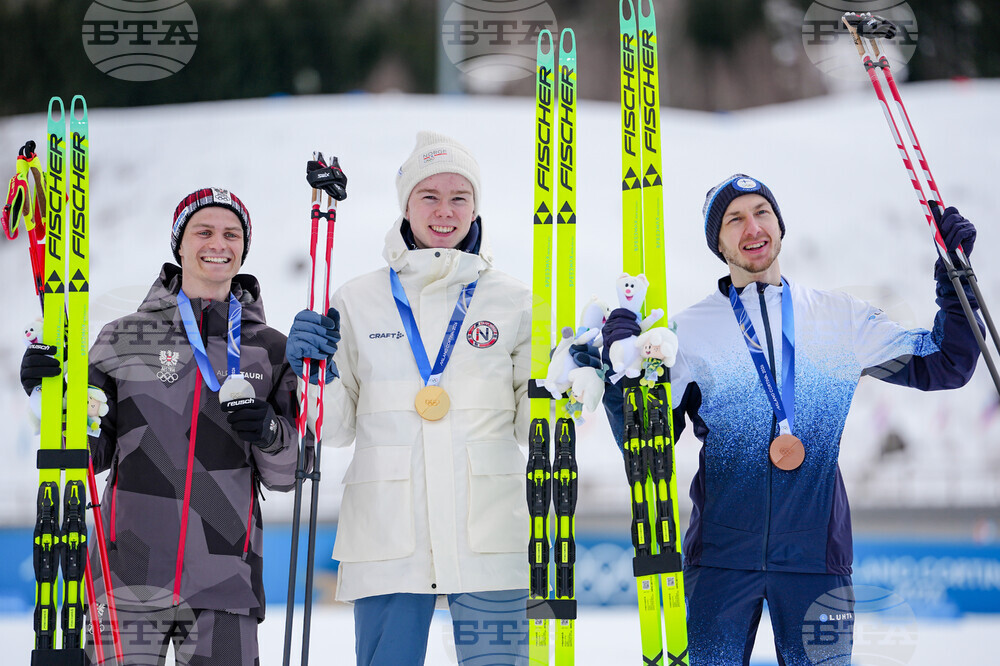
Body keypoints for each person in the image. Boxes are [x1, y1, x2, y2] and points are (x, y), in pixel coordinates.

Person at [601, 174, 982, 665]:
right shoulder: (686, 333)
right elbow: (643, 446)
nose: (752, 227)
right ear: (718, 244)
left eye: (762, 212)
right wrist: (622, 374)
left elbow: (946, 363)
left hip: (816, 561)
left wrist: (956, 282)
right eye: (734, 219)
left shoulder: (840, 318)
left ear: (780, 225)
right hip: (719, 562)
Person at [287, 131, 597, 666]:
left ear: (475, 207)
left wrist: (568, 384)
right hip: (387, 537)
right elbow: (333, 429)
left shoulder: (516, 301)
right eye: (429, 196)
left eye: (459, 197)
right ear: (406, 205)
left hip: (491, 535)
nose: (445, 211)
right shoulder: (357, 300)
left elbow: (534, 430)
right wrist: (314, 377)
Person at [21, 187, 305, 665]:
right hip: (125, 577)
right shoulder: (122, 338)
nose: (218, 243)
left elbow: (287, 475)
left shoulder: (270, 350)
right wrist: (45, 395)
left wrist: (270, 434)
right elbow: (87, 453)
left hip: (226, 581)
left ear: (244, 248)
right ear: (179, 244)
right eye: (204, 231)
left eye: (231, 234)